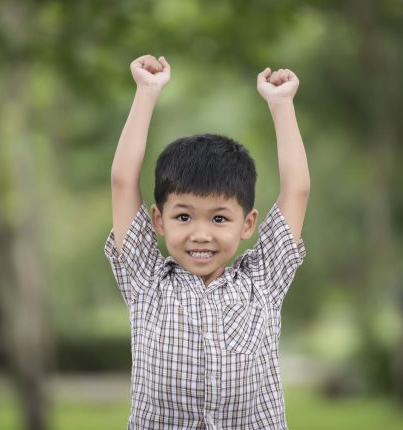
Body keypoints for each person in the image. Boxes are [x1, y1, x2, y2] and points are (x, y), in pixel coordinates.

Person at [104, 54, 310, 429]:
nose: (201, 234)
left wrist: (282, 106)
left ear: (247, 224)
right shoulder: (145, 280)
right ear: (158, 220)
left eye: (219, 218)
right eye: (183, 216)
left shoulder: (262, 282)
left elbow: (297, 191)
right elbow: (122, 182)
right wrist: (146, 93)